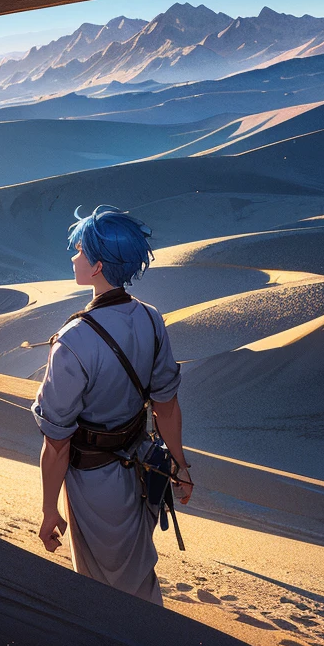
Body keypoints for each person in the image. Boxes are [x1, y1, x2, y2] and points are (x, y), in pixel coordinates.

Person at [31, 205, 192, 605]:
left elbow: (57, 442)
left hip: (93, 485)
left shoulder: (73, 341)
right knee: (138, 574)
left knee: (103, 593)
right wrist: (180, 464)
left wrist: (50, 509)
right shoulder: (152, 319)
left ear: (98, 265)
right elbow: (166, 406)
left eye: (81, 251)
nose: (74, 257)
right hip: (140, 473)